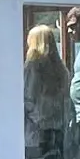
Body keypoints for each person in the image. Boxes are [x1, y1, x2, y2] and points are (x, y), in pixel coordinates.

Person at [23, 23, 70, 151]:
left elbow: (27, 100)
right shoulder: (61, 70)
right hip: (58, 131)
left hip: (36, 133)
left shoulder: (32, 67)